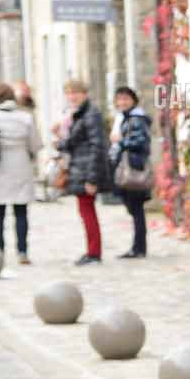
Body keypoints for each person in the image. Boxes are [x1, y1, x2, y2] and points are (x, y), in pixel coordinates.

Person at [0, 83, 41, 266]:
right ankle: (22, 251)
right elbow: (35, 144)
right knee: (21, 211)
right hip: (20, 165)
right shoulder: (25, 118)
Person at [54, 80, 110, 264]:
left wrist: (92, 178)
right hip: (79, 168)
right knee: (85, 212)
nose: (72, 96)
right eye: (68, 93)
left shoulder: (91, 114)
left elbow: (97, 146)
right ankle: (92, 251)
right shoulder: (79, 115)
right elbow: (74, 142)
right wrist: (60, 140)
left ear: (84, 93)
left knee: (88, 212)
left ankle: (94, 252)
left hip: (86, 171)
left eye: (75, 92)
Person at [109, 85, 154, 259]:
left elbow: (141, 141)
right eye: (119, 99)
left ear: (133, 100)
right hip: (131, 166)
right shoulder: (125, 118)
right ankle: (138, 246)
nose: (122, 102)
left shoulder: (136, 119)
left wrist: (121, 142)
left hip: (134, 167)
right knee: (135, 210)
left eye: (125, 98)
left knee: (136, 209)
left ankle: (139, 247)